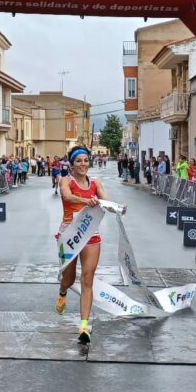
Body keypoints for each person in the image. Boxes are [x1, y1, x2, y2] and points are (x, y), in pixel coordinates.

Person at [56, 146, 109, 344]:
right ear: (72, 164)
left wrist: (115, 208)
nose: (83, 164)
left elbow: (105, 202)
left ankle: (84, 327)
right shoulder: (65, 180)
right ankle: (62, 292)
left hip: (91, 234)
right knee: (69, 279)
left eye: (86, 160)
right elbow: (67, 196)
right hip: (70, 235)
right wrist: (87, 201)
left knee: (87, 279)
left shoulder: (95, 183)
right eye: (79, 161)